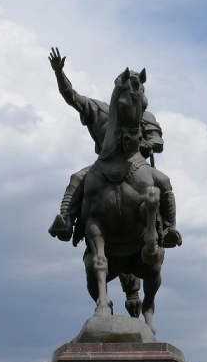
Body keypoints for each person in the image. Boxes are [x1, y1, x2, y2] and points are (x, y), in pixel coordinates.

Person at [46, 47, 180, 248]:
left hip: (136, 164)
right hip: (104, 164)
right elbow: (72, 97)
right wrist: (59, 72)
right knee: (77, 178)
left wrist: (147, 143)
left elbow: (158, 142)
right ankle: (66, 221)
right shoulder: (99, 110)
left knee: (164, 180)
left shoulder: (146, 116)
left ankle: (169, 228)